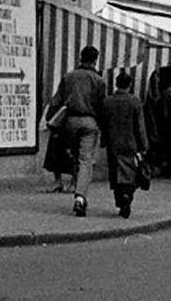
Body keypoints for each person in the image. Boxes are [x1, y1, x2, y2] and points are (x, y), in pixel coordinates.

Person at [46, 45, 107, 217]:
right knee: (85, 160)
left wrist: (51, 121)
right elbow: (101, 106)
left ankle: (73, 183)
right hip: (90, 122)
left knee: (74, 155)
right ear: (95, 60)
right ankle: (80, 197)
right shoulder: (99, 80)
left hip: (70, 121)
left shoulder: (69, 77)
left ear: (80, 57)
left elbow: (56, 101)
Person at [99, 68, 148, 219]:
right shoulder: (135, 101)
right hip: (131, 142)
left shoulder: (107, 101)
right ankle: (128, 195)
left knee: (115, 172)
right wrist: (144, 145)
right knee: (131, 173)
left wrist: (104, 140)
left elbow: (103, 123)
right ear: (130, 85)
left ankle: (120, 198)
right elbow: (140, 126)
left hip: (113, 143)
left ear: (116, 84)